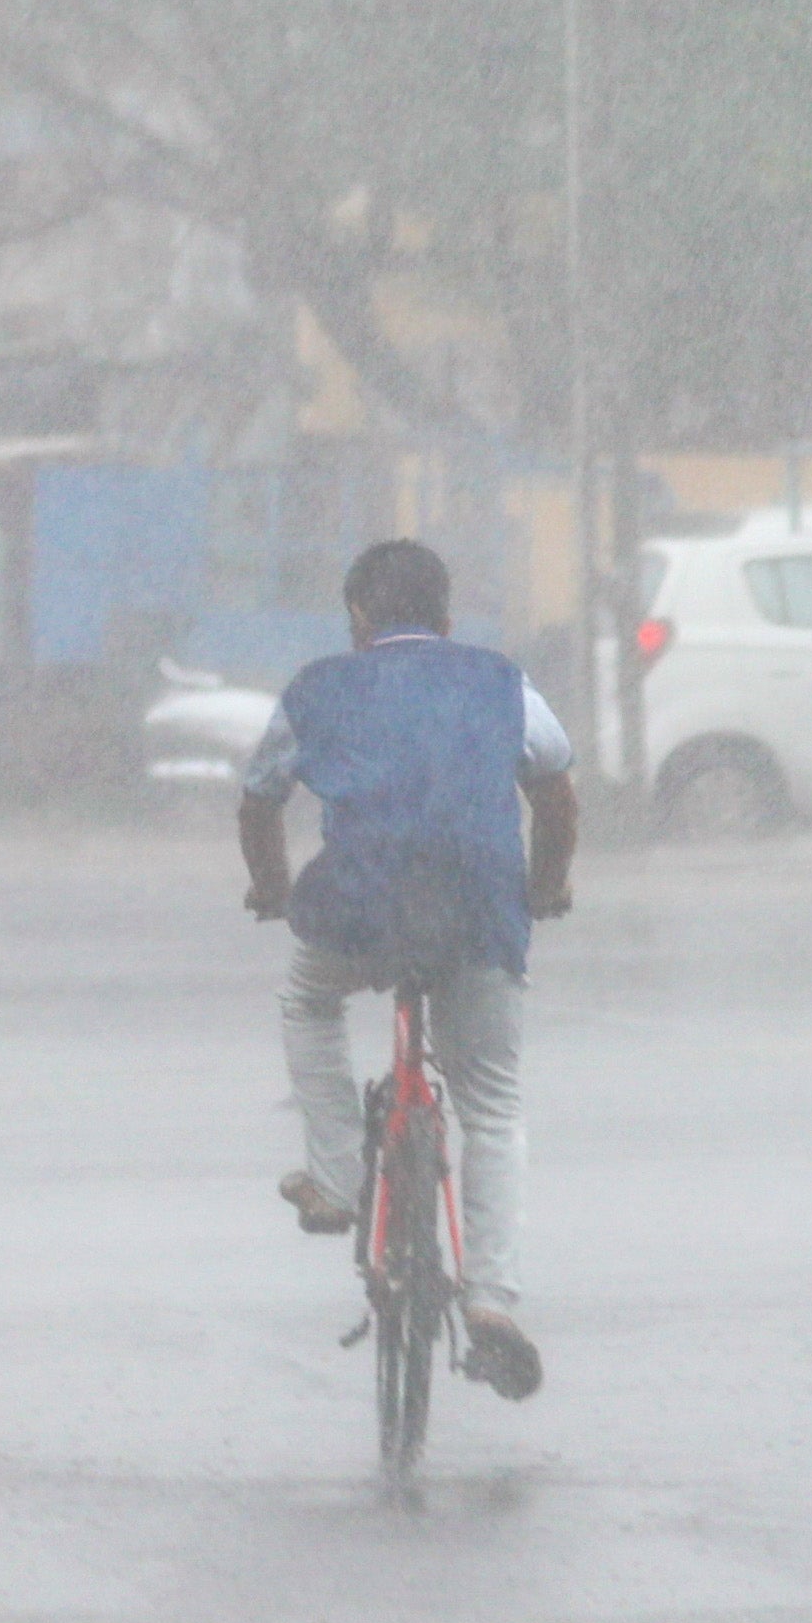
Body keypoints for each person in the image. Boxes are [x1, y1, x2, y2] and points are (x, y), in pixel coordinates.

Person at [238, 540, 576, 1401]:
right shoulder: (500, 680)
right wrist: (542, 887)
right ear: (448, 617)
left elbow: (260, 798)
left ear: (358, 620)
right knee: (491, 1101)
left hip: (359, 906)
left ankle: (342, 1178)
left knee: (308, 1000)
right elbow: (556, 791)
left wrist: (271, 887)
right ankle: (492, 1303)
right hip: (476, 906)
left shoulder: (318, 688)